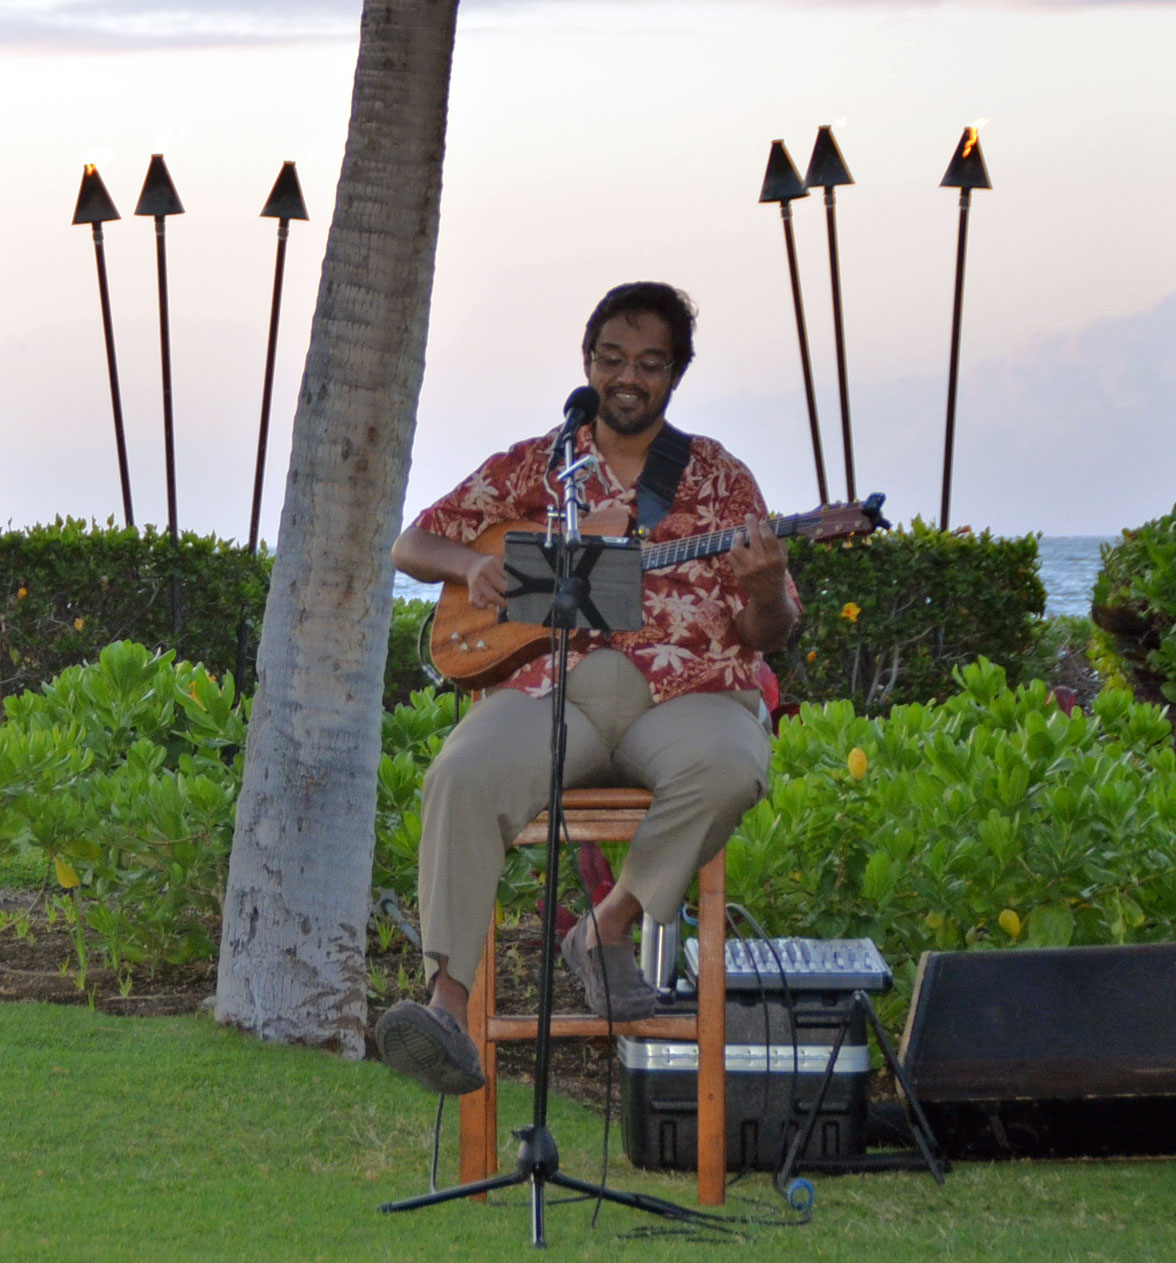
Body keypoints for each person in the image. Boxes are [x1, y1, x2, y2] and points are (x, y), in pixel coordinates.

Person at [376, 281, 801, 1096]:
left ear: (676, 373)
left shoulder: (719, 479)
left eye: (650, 363)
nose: (629, 377)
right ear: (589, 362)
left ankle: (607, 929)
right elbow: (411, 542)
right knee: (460, 776)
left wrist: (768, 587)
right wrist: (472, 565)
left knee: (732, 765)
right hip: (550, 690)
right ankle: (446, 1008)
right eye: (613, 359)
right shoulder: (540, 465)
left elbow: (765, 633)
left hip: (686, 696)